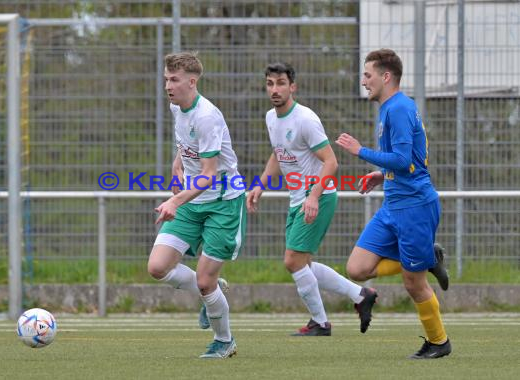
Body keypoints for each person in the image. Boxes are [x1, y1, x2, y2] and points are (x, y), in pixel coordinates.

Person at [247, 62, 378, 336]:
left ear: (292, 86)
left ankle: (320, 323)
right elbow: (278, 153)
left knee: (292, 261)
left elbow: (331, 163)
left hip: (318, 196)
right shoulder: (271, 118)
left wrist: (314, 197)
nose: (275, 89)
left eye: (281, 83)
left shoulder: (305, 119)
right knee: (302, 263)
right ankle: (360, 295)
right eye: (270, 83)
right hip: (298, 198)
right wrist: (260, 185)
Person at [336, 48, 451, 359]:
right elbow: (404, 160)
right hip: (393, 204)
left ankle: (439, 342)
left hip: (414, 207)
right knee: (357, 268)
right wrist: (380, 173)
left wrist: (361, 151)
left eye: (368, 75)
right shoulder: (389, 108)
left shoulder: (398, 108)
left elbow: (402, 159)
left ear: (386, 77)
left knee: (413, 284)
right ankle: (428, 257)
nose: (363, 81)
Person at [147, 52, 246, 359]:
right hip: (193, 199)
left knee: (204, 282)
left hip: (222, 202)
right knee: (157, 267)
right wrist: (177, 164)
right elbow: (186, 144)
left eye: (174, 80)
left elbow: (209, 174)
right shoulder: (177, 106)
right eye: (166, 79)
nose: (168, 85)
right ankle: (218, 288)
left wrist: (175, 199)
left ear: (192, 82)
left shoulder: (207, 116)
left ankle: (224, 340)